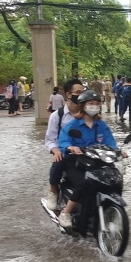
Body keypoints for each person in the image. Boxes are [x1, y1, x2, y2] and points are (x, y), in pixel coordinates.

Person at [56, 90, 127, 229]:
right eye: (91, 104)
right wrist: (71, 147)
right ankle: (66, 212)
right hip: (76, 162)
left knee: (114, 179)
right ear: (83, 106)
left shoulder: (101, 125)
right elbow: (63, 141)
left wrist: (119, 151)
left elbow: (110, 142)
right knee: (85, 183)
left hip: (97, 161)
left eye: (96, 104)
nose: (94, 106)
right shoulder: (73, 125)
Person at [44, 79, 86, 211]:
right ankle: (53, 191)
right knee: (60, 158)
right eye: (78, 92)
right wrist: (56, 151)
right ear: (68, 94)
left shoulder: (89, 115)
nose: (81, 95)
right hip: (65, 152)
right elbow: (50, 140)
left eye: (83, 92)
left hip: (85, 152)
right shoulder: (57, 116)